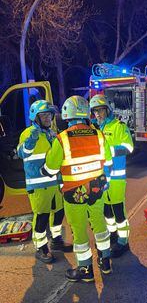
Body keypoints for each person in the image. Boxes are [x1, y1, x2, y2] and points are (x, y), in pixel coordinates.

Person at [41, 96, 113, 282]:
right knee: (100, 224)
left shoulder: (62, 139)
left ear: (67, 115)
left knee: (79, 229)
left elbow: (50, 168)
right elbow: (108, 160)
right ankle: (105, 263)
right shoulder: (98, 134)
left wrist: (45, 168)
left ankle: (85, 270)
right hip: (97, 188)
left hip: (74, 192)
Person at [17, 100, 69, 264]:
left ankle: (56, 240)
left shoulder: (52, 133)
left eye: (49, 115)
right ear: (35, 117)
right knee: (42, 217)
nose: (48, 118)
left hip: (55, 182)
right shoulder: (28, 133)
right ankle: (41, 247)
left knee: (59, 212)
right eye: (44, 115)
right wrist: (31, 140)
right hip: (39, 185)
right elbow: (22, 153)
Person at [89, 94, 134, 258]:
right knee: (107, 211)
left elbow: (129, 147)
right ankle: (113, 235)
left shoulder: (119, 126)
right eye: (95, 112)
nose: (98, 114)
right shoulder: (95, 130)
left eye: (101, 110)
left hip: (116, 178)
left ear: (107, 110)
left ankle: (123, 242)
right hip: (102, 178)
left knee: (118, 212)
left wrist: (108, 151)